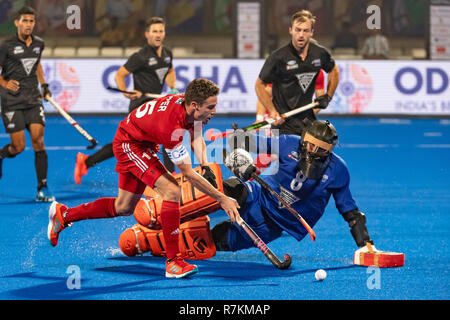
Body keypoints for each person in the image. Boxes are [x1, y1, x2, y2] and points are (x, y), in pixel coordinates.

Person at [48, 78, 241, 278]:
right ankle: (174, 262)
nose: (214, 111)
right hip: (130, 145)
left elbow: (196, 132)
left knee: (123, 207)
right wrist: (221, 198)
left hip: (140, 142)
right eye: (211, 107)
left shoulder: (188, 105)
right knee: (172, 190)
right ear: (194, 105)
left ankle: (64, 215)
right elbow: (188, 174)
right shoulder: (171, 127)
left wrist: (205, 164)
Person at [212, 120, 375, 254]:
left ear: (330, 151)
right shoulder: (289, 142)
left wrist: (365, 244)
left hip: (278, 223)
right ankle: (186, 210)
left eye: (321, 151)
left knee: (217, 241)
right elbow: (258, 144)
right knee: (229, 189)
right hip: (261, 194)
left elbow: (349, 210)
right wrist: (240, 138)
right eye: (311, 146)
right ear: (303, 140)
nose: (314, 153)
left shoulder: (338, 170)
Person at [74, 17, 179, 184]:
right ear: (147, 34)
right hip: (140, 107)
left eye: (161, 31)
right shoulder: (140, 56)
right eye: (154, 31)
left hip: (156, 105)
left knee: (130, 144)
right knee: (159, 135)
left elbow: (170, 71)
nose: (158, 35)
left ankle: (85, 162)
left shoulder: (167, 54)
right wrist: (126, 92)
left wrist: (172, 86)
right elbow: (119, 75)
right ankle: (172, 177)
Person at [255, 10, 340, 136]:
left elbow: (334, 70)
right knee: (285, 156)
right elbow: (259, 85)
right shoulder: (278, 57)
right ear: (291, 30)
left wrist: (328, 96)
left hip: (308, 121)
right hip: (283, 124)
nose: (301, 35)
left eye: (305, 31)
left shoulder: (320, 53)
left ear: (312, 32)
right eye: (297, 30)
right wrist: (272, 112)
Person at [0, 6, 54, 202]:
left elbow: (37, 64)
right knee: (18, 147)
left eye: (32, 21)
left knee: (39, 141)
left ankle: (42, 187)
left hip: (32, 99)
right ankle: (1, 155)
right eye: (25, 21)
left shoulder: (39, 43)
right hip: (11, 102)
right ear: (17, 23)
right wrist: (5, 83)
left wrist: (44, 85)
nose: (29, 24)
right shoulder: (6, 46)